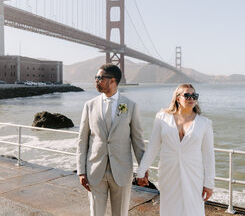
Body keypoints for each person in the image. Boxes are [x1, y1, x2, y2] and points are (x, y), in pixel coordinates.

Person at [76, 63, 147, 216]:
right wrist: (81, 171)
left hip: (122, 171)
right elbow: (82, 140)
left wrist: (143, 169)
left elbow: (138, 141)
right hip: (95, 170)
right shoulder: (89, 105)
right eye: (96, 77)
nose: (96, 80)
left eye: (100, 78)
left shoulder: (131, 106)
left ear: (113, 81)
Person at [136, 84, 215, 216]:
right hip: (168, 173)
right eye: (187, 95)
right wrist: (141, 171)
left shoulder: (205, 123)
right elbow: (153, 146)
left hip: (194, 174)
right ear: (178, 98)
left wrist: (209, 183)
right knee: (169, 210)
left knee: (193, 210)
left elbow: (208, 155)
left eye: (194, 96)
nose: (191, 98)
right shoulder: (162, 117)